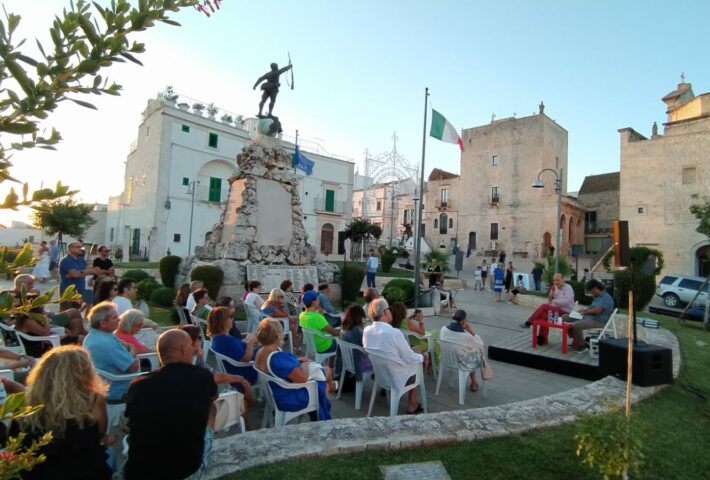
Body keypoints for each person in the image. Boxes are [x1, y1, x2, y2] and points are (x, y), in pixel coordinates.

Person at [9, 346, 114, 480]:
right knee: (109, 453)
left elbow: (16, 445)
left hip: (37, 472)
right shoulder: (93, 400)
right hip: (85, 470)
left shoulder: (25, 405)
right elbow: (100, 434)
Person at [124, 329, 218, 480]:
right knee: (211, 408)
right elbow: (213, 397)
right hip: (185, 470)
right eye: (190, 346)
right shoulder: (202, 377)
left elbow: (129, 418)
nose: (193, 350)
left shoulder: (138, 383)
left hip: (139, 470)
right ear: (183, 349)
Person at [254, 318, 333, 421]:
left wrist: (298, 362)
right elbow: (303, 379)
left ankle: (331, 388)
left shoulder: (261, 352)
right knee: (325, 373)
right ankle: (322, 418)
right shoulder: (278, 357)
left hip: (275, 392)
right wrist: (306, 364)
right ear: (277, 336)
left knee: (323, 376)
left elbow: (279, 369)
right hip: (288, 397)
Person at [364, 298, 424, 415]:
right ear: (385, 312)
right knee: (416, 366)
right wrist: (421, 357)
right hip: (396, 377)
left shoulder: (367, 330)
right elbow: (410, 358)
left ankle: (412, 403)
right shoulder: (394, 333)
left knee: (411, 361)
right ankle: (412, 404)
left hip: (380, 375)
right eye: (389, 309)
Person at [83, 302, 139, 402]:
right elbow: (133, 367)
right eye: (114, 317)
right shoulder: (107, 344)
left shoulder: (93, 336)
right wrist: (133, 351)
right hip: (119, 390)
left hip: (102, 385)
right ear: (103, 324)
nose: (119, 319)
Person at [12, 274, 86, 336]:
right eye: (30, 284)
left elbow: (39, 310)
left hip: (42, 319)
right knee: (74, 314)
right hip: (39, 322)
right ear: (21, 285)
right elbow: (23, 316)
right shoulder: (15, 297)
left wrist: (38, 297)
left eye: (33, 283)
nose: (32, 286)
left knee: (74, 314)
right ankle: (76, 339)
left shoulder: (28, 294)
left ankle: (76, 338)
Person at [439, 309, 493, 392]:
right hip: (462, 363)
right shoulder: (466, 336)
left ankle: (473, 383)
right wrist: (471, 331)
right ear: (463, 321)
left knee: (468, 353)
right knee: (474, 354)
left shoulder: (443, 329)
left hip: (446, 360)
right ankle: (474, 383)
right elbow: (481, 344)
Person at [208, 306, 260, 388]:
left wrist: (248, 341)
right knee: (270, 349)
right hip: (248, 371)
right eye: (230, 317)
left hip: (240, 368)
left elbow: (236, 349)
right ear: (223, 322)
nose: (232, 320)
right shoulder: (225, 341)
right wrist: (251, 342)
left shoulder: (218, 339)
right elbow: (246, 359)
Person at [520, 273, 576, 344]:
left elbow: (567, 302)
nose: (556, 282)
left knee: (544, 306)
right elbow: (550, 302)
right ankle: (542, 339)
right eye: (554, 280)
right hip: (556, 311)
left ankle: (529, 322)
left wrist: (555, 302)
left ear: (562, 279)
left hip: (565, 311)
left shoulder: (568, 288)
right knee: (544, 315)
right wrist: (550, 295)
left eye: (558, 280)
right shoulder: (555, 288)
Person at [567, 279, 615, 353]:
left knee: (576, 325)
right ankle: (576, 340)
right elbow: (592, 308)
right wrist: (583, 310)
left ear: (595, 288)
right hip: (590, 317)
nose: (591, 293)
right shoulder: (597, 297)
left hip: (598, 320)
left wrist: (585, 312)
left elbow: (597, 311)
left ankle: (582, 345)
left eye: (591, 291)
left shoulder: (606, 298)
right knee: (566, 317)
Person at [299, 290, 339, 355]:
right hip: (324, 347)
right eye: (318, 299)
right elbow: (334, 333)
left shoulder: (302, 315)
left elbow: (318, 325)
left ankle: (330, 364)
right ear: (314, 302)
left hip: (312, 346)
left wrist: (321, 315)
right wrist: (342, 331)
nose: (319, 301)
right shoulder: (317, 317)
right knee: (342, 343)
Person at [339, 305, 372, 382]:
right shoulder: (357, 330)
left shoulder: (343, 327)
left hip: (346, 361)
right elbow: (366, 346)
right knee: (379, 361)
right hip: (358, 363)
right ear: (359, 317)